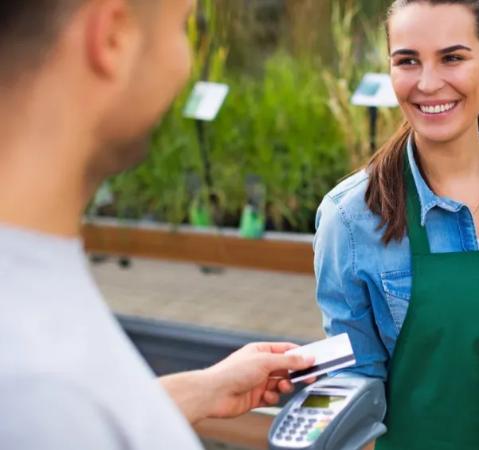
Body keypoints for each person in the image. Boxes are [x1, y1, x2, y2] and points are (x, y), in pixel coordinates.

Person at [0, 1, 313, 448]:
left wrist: (202, 389)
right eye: (181, 26)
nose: (183, 65)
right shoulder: (41, 391)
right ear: (112, 38)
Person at [313, 1, 479, 449]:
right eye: (408, 61)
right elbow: (352, 375)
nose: (428, 83)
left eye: (452, 58)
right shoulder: (351, 217)